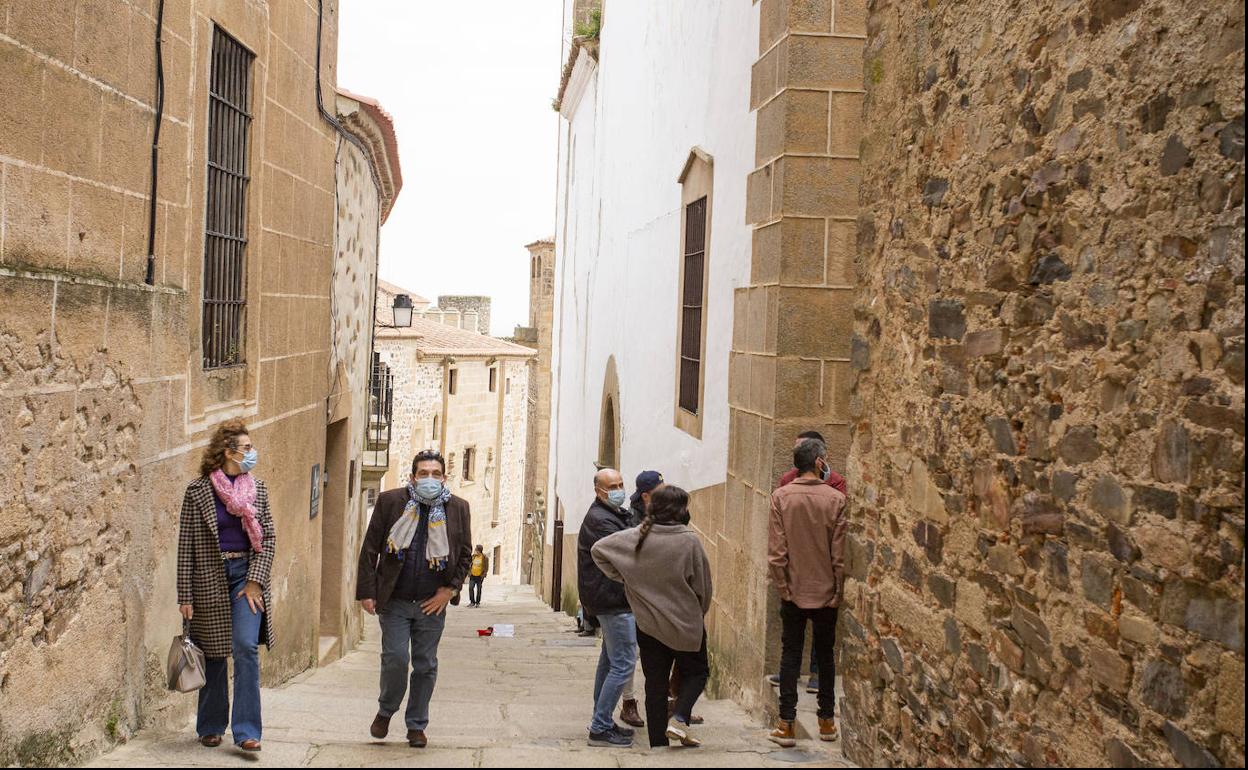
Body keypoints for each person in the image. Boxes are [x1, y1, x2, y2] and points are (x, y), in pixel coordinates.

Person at [356, 450, 473, 748]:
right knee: (395, 659)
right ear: (412, 477)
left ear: (444, 478)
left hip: (431, 603)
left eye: (436, 474)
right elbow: (371, 549)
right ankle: (386, 710)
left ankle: (416, 725)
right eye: (423, 474)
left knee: (425, 665)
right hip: (395, 599)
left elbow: (463, 555)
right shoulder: (390, 502)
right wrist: (367, 591)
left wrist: (450, 591)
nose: (430, 479)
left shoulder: (458, 508)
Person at [177, 419, 275, 752]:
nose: (252, 453)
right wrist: (184, 595)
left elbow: (269, 538)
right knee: (214, 652)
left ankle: (247, 730)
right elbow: (186, 544)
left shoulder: (257, 489)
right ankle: (211, 725)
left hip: (245, 577)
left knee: (245, 646)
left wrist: (255, 582)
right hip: (209, 577)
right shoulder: (198, 491)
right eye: (247, 448)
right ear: (227, 452)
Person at [592, 485, 712, 749]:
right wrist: (697, 613)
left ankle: (658, 743)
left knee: (655, 686)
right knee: (699, 672)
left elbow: (599, 550)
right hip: (685, 624)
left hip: (648, 626)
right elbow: (703, 588)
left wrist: (626, 578)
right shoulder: (689, 541)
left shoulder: (636, 537)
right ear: (681, 510)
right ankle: (679, 716)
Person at [767, 438, 847, 747]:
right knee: (825, 656)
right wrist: (838, 590)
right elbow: (838, 554)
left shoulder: (781, 498)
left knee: (790, 656)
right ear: (818, 462)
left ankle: (786, 724)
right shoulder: (836, 500)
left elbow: (777, 552)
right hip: (826, 591)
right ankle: (826, 721)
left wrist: (784, 588)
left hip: (794, 591)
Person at [577, 468, 638, 747]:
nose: (618, 489)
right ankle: (600, 727)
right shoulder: (602, 520)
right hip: (613, 599)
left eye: (621, 484)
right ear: (598, 491)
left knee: (610, 661)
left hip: (607, 598)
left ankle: (601, 719)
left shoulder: (607, 514)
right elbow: (628, 552)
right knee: (624, 663)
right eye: (612, 486)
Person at [618, 469, 664, 728]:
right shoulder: (632, 521)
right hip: (636, 597)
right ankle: (629, 703)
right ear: (646, 496)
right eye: (659, 490)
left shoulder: (660, 516)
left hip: (656, 596)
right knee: (629, 653)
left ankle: (667, 701)